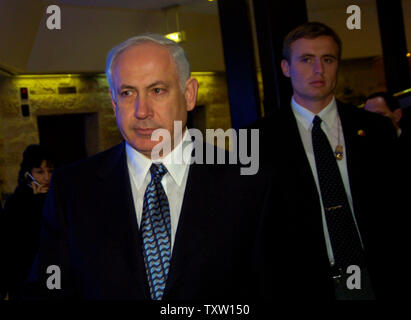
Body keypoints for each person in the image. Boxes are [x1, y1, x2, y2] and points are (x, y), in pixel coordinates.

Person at [24, 34, 276, 300]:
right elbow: (46, 291)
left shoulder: (250, 184)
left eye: (157, 90)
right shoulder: (72, 189)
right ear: (113, 102)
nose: (141, 110)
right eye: (127, 93)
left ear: (189, 94)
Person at [257, 22, 404, 300]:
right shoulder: (258, 139)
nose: (318, 70)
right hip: (299, 285)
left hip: (376, 279)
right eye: (306, 60)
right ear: (286, 68)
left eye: (327, 59)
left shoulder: (376, 130)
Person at [0, 144, 54, 300]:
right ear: (27, 174)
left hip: (53, 270)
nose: (46, 177)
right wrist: (34, 202)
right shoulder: (16, 203)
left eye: (50, 171)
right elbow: (12, 244)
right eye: (39, 172)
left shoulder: (56, 198)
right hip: (24, 274)